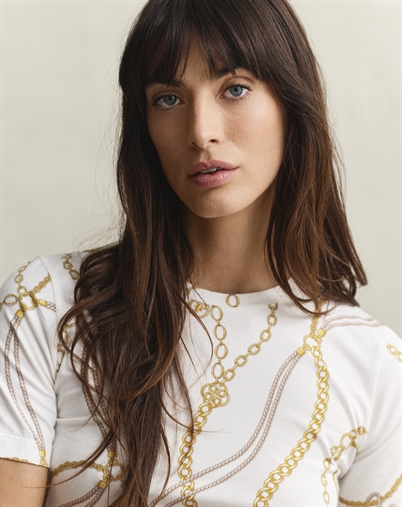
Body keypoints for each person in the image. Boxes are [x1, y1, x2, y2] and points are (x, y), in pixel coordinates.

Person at [0, 0, 401, 505]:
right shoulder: (49, 306)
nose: (200, 131)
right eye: (168, 99)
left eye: (235, 88)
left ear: (291, 103)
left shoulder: (373, 366)